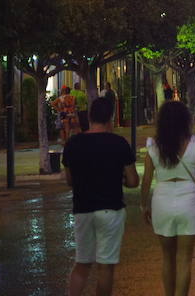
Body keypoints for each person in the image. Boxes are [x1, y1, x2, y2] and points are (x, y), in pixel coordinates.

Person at [141, 100, 195, 296]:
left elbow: (146, 180)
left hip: (162, 199)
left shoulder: (154, 146)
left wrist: (144, 206)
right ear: (186, 120)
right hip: (189, 201)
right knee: (185, 259)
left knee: (167, 258)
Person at [62, 97, 139, 296]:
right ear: (110, 118)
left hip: (83, 210)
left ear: (89, 117)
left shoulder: (73, 144)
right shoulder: (119, 143)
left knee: (82, 263)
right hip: (110, 210)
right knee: (105, 267)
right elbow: (132, 181)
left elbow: (69, 180)